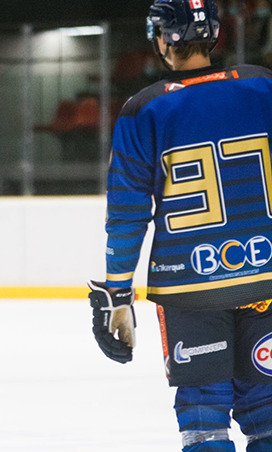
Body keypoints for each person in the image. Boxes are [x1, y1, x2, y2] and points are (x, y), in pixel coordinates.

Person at [87, 1, 272, 450]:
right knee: (267, 416)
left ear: (163, 38)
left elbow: (128, 213)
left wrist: (117, 293)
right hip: (266, 277)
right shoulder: (263, 85)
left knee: (204, 420)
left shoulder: (144, 109)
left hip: (191, 287)